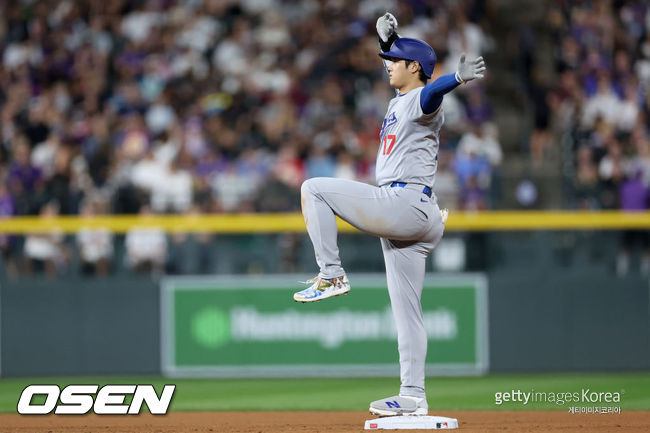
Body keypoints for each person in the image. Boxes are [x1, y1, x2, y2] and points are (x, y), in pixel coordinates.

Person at [293, 13, 486, 417]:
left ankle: (331, 274)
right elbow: (410, 64)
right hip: (417, 215)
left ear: (413, 68)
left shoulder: (421, 98)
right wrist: (392, 38)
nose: (387, 65)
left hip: (403, 204)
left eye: (394, 61)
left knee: (313, 189)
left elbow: (431, 93)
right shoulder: (404, 97)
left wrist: (456, 78)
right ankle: (413, 394)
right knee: (408, 312)